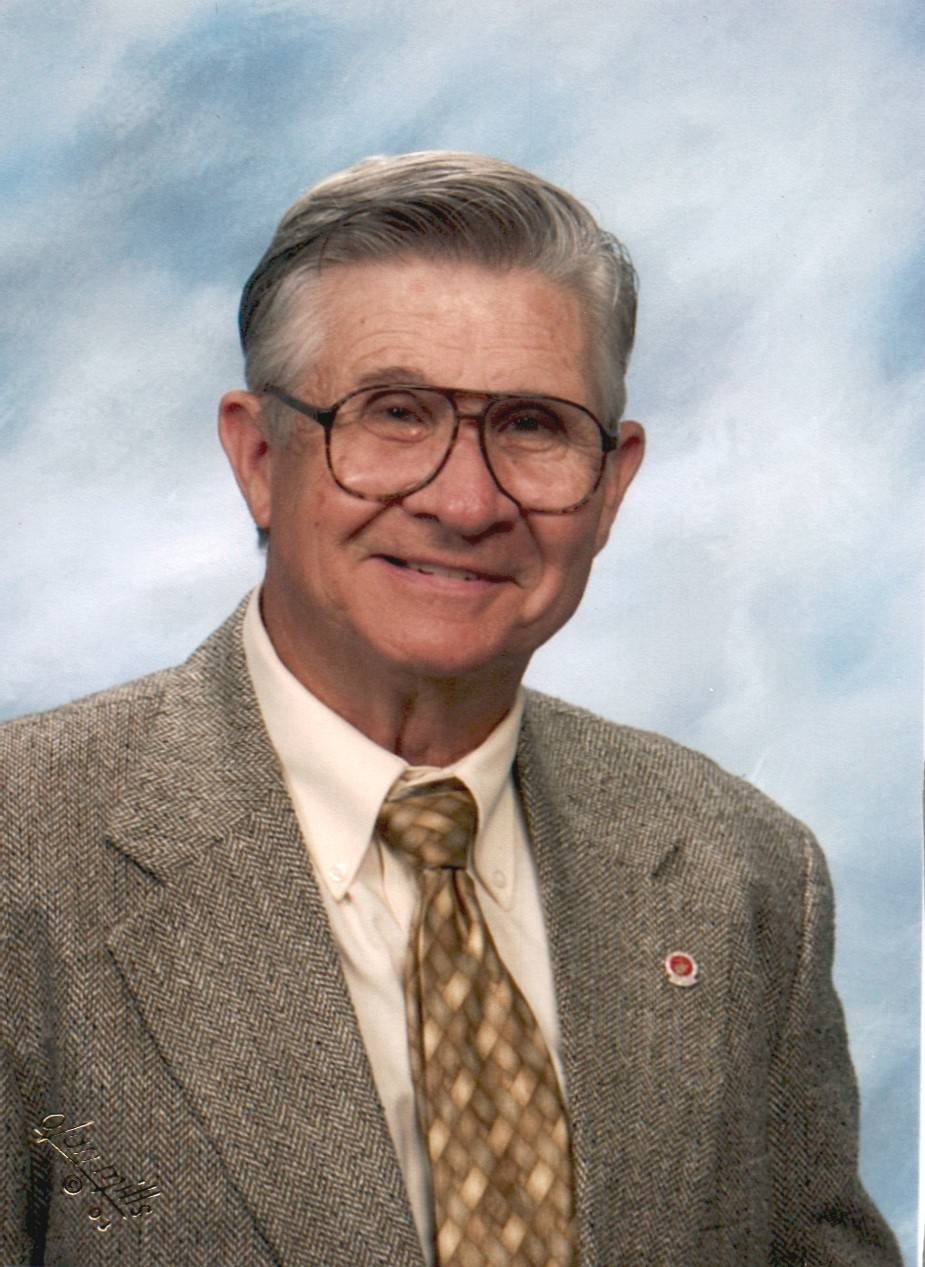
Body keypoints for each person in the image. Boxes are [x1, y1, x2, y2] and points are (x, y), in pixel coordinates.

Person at [0, 152, 901, 1267]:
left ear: (611, 484)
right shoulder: (22, 847)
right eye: (394, 413)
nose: (466, 502)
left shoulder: (744, 872)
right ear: (258, 456)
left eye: (531, 425)